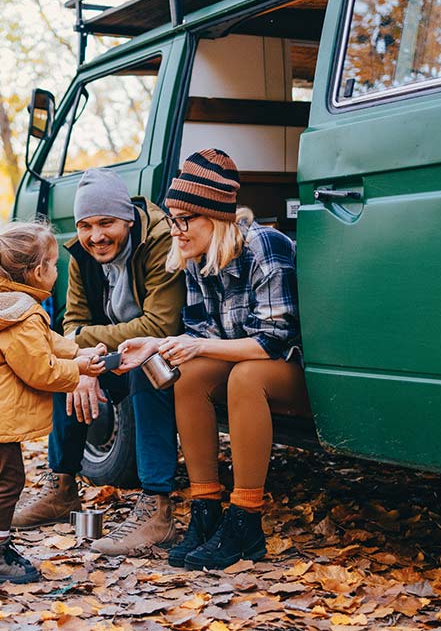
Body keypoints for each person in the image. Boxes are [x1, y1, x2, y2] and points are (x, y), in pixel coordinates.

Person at [117, 149, 304, 570]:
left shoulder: (264, 247)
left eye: (185, 219)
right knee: (190, 377)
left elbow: (274, 342)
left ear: (215, 217)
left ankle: (245, 519)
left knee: (244, 377)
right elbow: (202, 335)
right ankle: (206, 510)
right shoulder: (196, 258)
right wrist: (155, 345)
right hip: (244, 362)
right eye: (172, 219)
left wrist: (198, 346)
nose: (176, 231)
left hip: (291, 371)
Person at [11, 168, 185, 556]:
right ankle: (62, 490)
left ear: (126, 217)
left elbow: (160, 324)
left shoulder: (158, 242)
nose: (96, 236)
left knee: (148, 366)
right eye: (86, 225)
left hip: (169, 351)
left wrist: (81, 347)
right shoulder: (81, 253)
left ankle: (157, 507)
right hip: (114, 352)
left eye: (106, 223)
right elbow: (72, 321)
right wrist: (83, 365)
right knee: (64, 372)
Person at [0, 220, 105, 584]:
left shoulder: (4, 302)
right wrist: (80, 367)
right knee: (10, 482)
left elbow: (47, 341)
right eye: (53, 264)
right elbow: (42, 370)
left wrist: (78, 349)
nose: (56, 270)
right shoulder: (23, 316)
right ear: (37, 272)